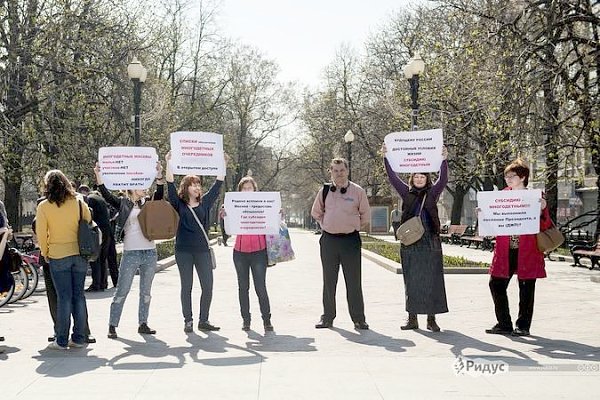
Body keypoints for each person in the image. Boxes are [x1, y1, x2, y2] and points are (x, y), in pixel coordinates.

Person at [383, 144, 449, 332]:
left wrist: (444, 160)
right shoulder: (406, 192)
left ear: (427, 179)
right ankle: (412, 318)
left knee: (432, 278)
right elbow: (392, 178)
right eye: (416, 176)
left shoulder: (433, 192)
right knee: (411, 279)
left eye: (423, 176)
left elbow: (443, 179)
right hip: (411, 242)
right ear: (412, 178)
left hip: (430, 240)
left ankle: (431, 319)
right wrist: (386, 157)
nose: (419, 179)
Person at [95, 162, 164, 339]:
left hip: (149, 252)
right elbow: (106, 195)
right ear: (132, 187)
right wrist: (99, 175)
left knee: (146, 291)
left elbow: (160, 194)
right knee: (122, 290)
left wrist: (159, 176)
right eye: (141, 184)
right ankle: (112, 324)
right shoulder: (123, 203)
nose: (144, 187)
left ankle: (143, 323)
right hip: (131, 252)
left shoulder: (148, 203)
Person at [485, 159, 551, 337]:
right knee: (496, 284)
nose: (508, 179)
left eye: (511, 176)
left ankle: (523, 326)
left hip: (527, 250)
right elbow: (494, 220)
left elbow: (545, 225)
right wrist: (484, 214)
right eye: (506, 176)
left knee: (526, 288)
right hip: (505, 249)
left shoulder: (535, 196)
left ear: (522, 177)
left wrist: (542, 209)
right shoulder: (502, 195)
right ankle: (504, 323)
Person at [165, 151, 225, 333]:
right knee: (187, 286)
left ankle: (203, 320)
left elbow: (218, 183)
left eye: (198, 184)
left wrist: (222, 162)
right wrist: (169, 162)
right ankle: (188, 320)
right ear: (186, 187)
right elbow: (169, 184)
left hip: (202, 251)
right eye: (193, 185)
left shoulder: (206, 202)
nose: (197, 187)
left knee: (208, 286)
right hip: (183, 251)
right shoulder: (179, 204)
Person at [311, 157, 371, 330]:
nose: (339, 173)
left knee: (353, 281)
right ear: (330, 171)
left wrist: (353, 226)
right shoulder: (324, 191)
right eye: (335, 171)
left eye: (342, 170)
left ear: (347, 171)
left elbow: (365, 216)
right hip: (329, 241)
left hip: (350, 241)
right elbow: (316, 212)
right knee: (329, 281)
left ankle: (359, 319)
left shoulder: (358, 191)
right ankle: (327, 317)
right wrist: (326, 225)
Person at [36, 170, 92, 350]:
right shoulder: (78, 202)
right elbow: (88, 221)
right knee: (79, 296)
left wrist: (45, 252)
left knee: (63, 298)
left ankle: (61, 340)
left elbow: (41, 234)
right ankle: (79, 338)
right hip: (79, 254)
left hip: (58, 255)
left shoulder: (44, 206)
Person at [223, 176, 273, 331]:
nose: (247, 190)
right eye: (244, 188)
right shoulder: (235, 206)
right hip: (240, 252)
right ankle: (246, 320)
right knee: (243, 287)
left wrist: (278, 214)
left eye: (249, 187)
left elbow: (272, 225)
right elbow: (229, 231)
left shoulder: (262, 205)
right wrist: (226, 217)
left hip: (259, 252)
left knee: (260, 287)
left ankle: (266, 320)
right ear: (240, 191)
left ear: (255, 189)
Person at [77, 185, 112, 292]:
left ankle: (96, 284)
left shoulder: (90, 200)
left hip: (97, 231)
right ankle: (103, 283)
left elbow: (88, 216)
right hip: (107, 230)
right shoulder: (99, 198)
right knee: (102, 258)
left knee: (95, 258)